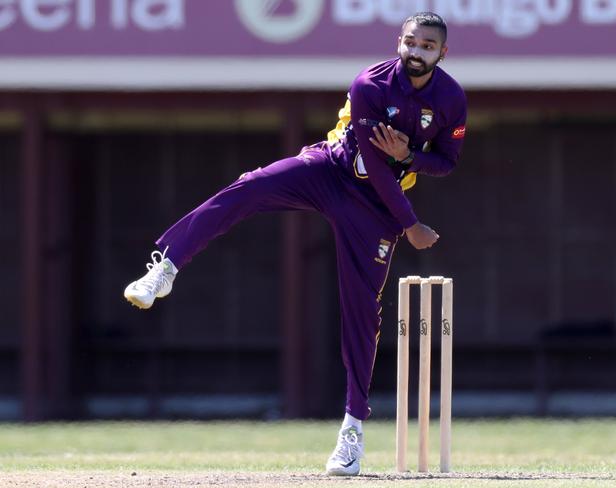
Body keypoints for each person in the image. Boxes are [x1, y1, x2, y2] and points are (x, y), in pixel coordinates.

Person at [124, 12, 466, 476]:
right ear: (398, 42)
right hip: (330, 171)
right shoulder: (371, 84)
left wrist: (410, 156)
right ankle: (166, 266)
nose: (416, 52)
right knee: (248, 187)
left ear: (442, 53)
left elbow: (446, 162)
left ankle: (352, 430)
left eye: (427, 46)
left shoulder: (451, 99)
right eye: (410, 42)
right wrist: (411, 223)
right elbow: (373, 163)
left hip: (374, 210)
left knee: (362, 309)